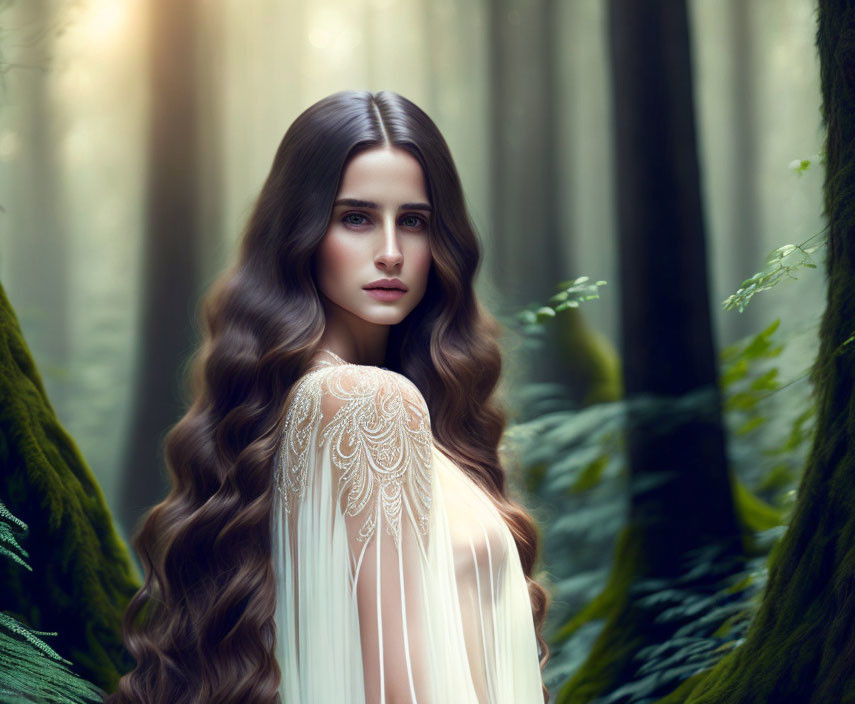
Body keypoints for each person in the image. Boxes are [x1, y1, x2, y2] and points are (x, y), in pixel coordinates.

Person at [107, 90, 548, 704]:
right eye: (357, 218)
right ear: (303, 232)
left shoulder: (298, 406)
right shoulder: (367, 402)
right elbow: (405, 688)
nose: (391, 252)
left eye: (414, 221)